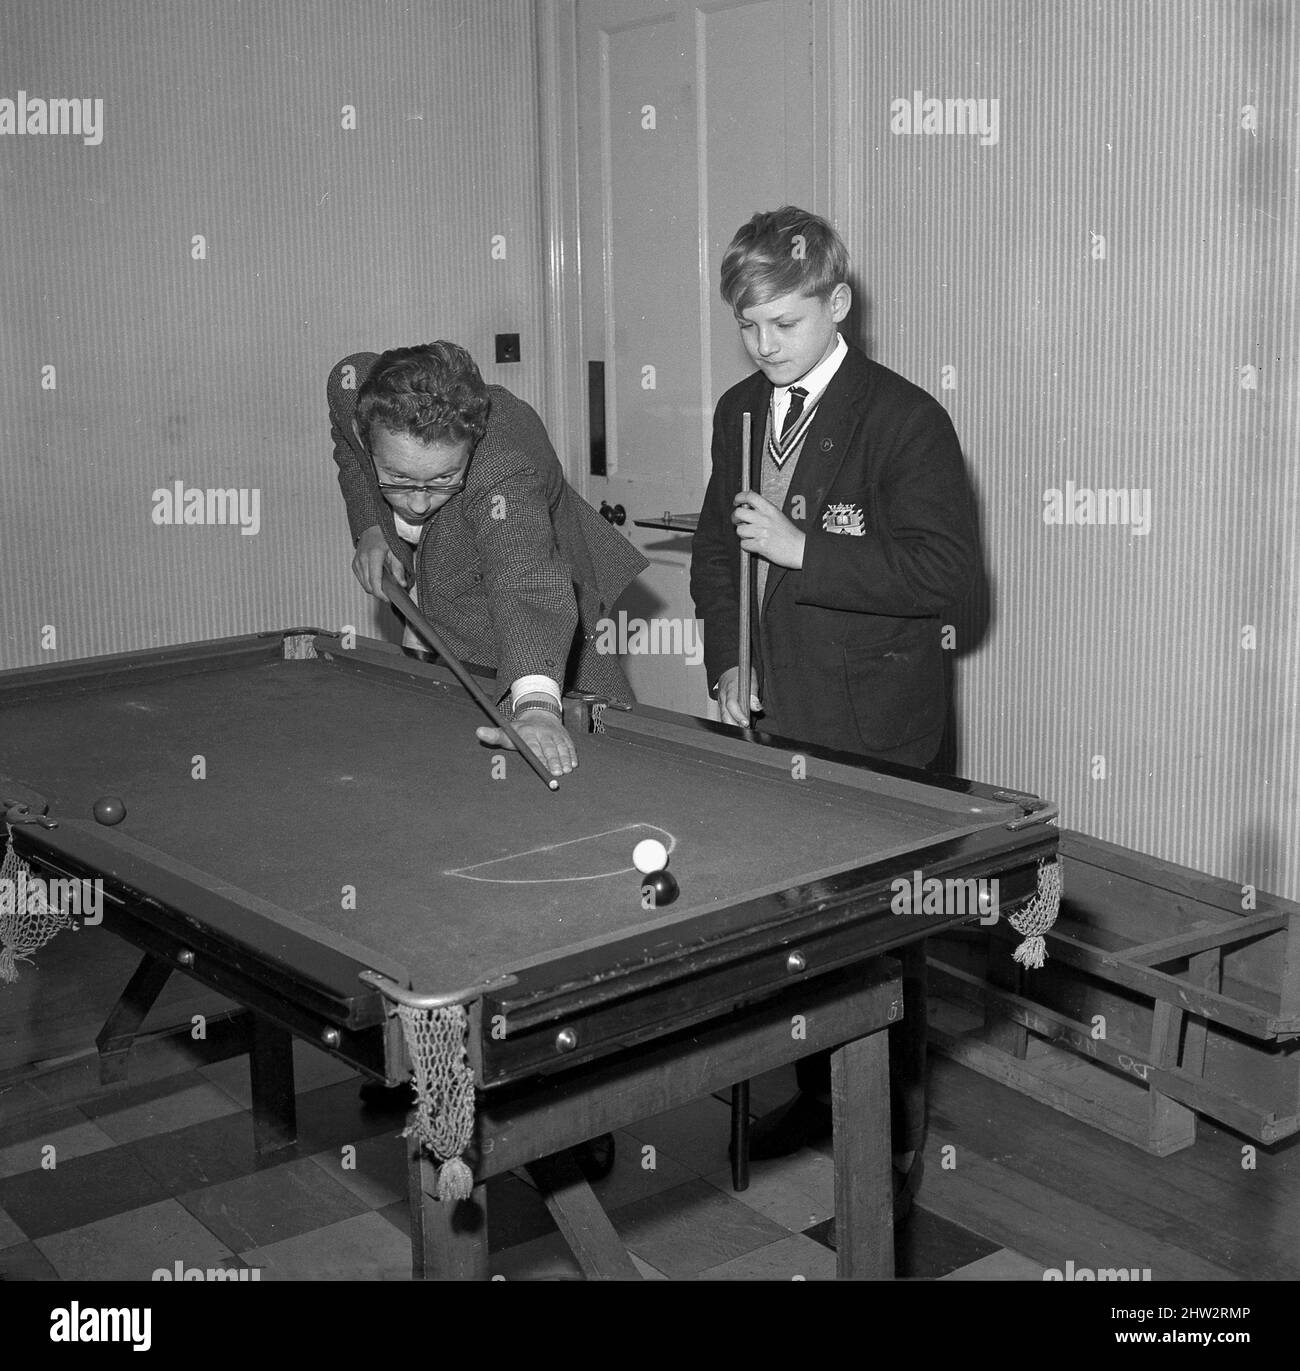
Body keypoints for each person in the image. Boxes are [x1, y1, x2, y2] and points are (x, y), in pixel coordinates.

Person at [690, 207, 980, 1219]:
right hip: (773, 719)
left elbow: (949, 578)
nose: (765, 346)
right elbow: (716, 556)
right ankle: (816, 1099)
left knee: (880, 938)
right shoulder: (738, 408)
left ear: (836, 304)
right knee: (792, 937)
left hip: (875, 733)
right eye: (750, 327)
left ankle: (891, 1140)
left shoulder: (902, 419)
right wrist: (728, 659)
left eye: (785, 324)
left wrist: (804, 550)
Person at [329, 342, 647, 778]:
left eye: (443, 479)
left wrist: (536, 705)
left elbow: (525, 577)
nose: (418, 506)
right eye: (399, 479)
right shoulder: (355, 389)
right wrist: (369, 524)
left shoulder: (501, 467)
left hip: (545, 618)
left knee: (586, 761)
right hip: (443, 601)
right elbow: (349, 446)